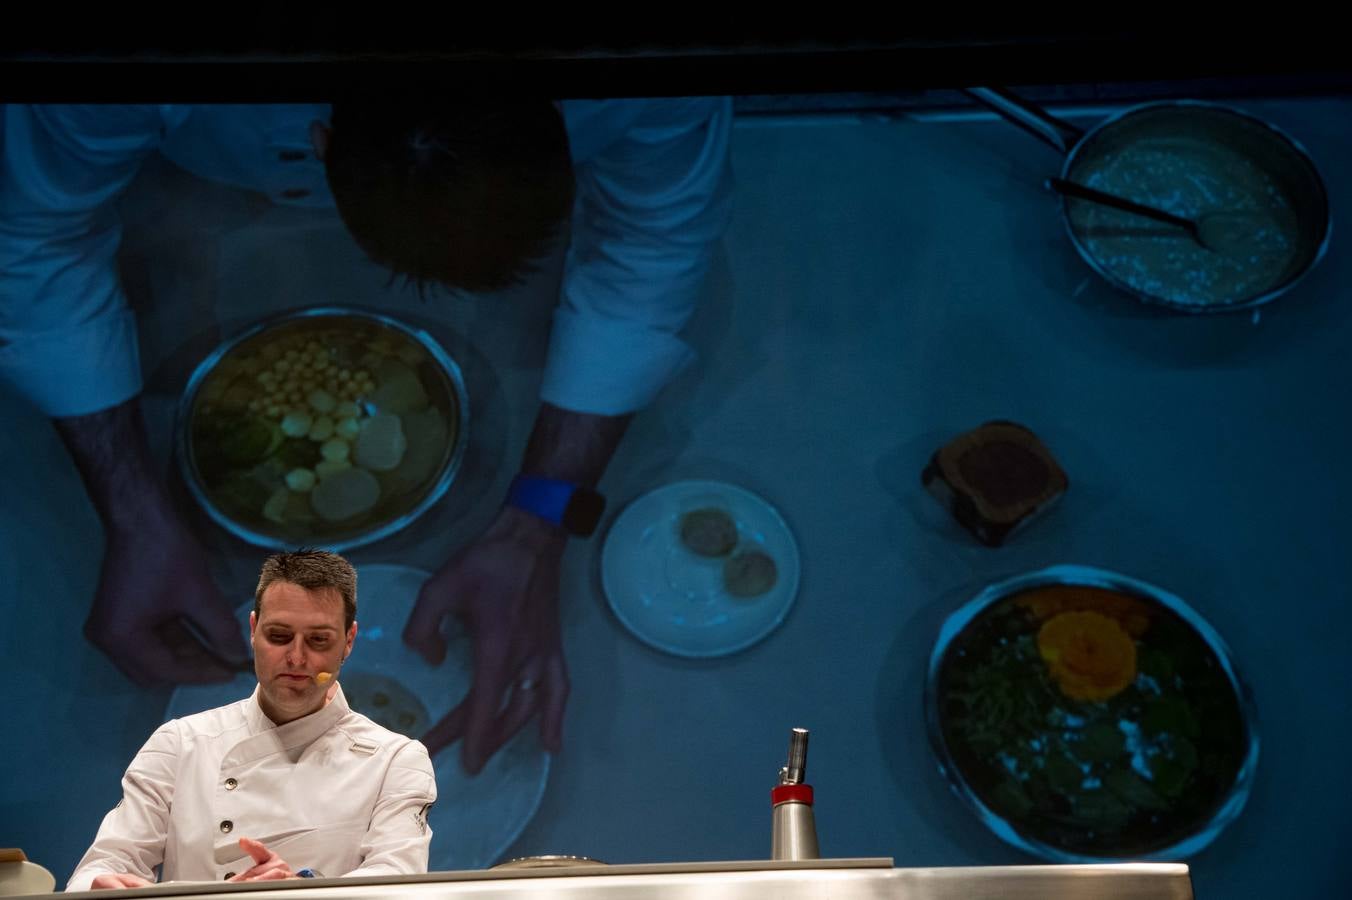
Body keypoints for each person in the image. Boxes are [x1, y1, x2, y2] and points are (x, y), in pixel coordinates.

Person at [0, 93, 734, 773]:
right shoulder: (109, 67)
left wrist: (535, 526)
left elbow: (652, 241)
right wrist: (132, 512)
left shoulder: (651, 76)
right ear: (315, 140)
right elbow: (35, 234)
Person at [66, 550, 437, 890]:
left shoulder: (396, 759)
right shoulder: (180, 742)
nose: (296, 657)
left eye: (319, 641)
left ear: (349, 641)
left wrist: (299, 889)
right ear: (254, 630)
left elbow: (396, 882)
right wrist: (100, 886)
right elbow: (103, 863)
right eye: (279, 636)